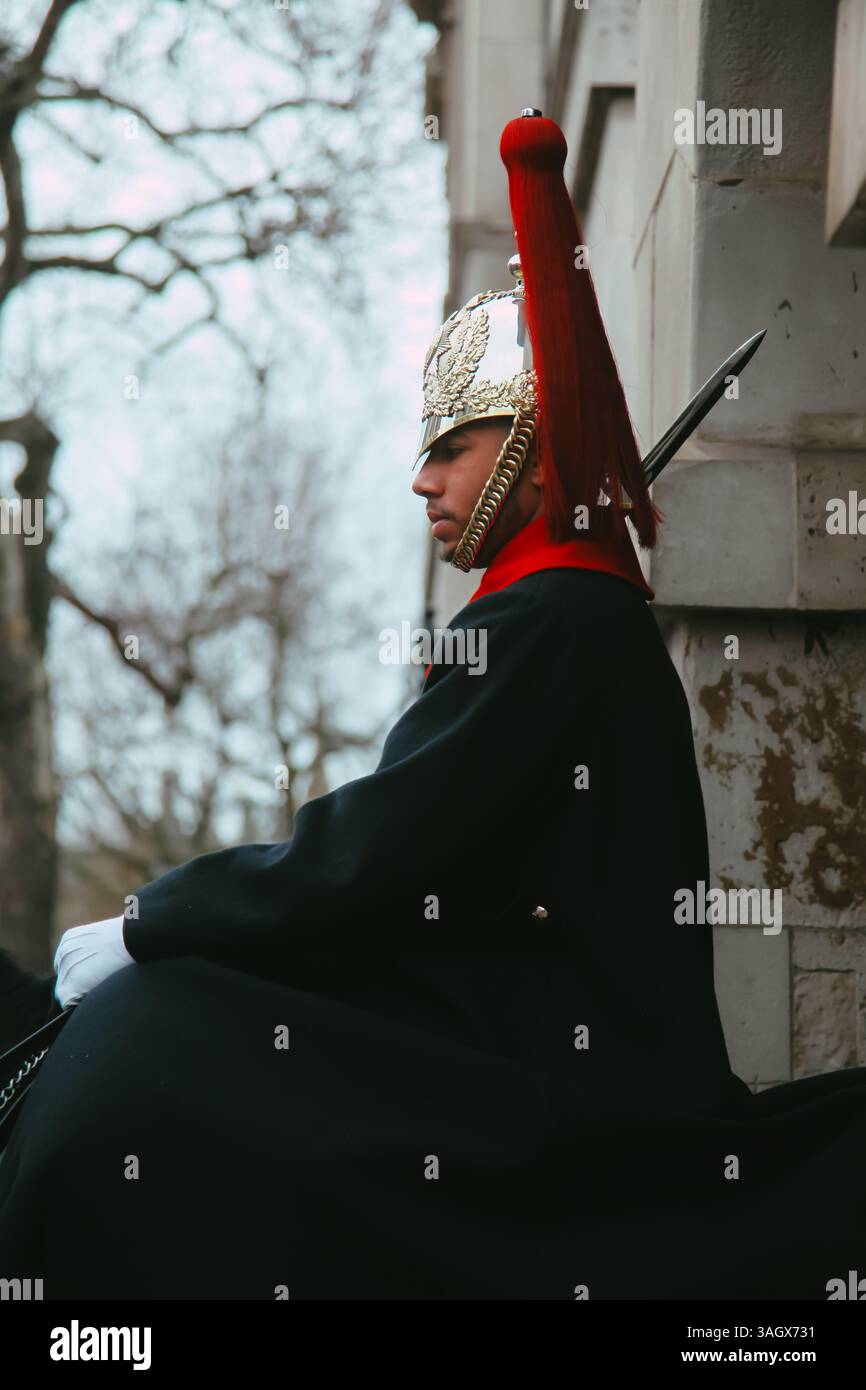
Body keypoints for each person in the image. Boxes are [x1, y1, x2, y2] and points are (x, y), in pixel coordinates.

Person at [1, 110, 865, 1300]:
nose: (421, 478)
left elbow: (369, 853)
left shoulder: (548, 621)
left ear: (523, 445)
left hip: (556, 1073)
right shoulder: (559, 615)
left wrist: (156, 920)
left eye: (450, 445)